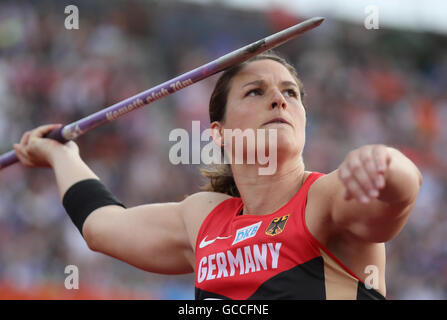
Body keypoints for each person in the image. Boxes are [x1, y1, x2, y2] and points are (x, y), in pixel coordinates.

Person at [13, 51, 422, 300]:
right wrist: (60, 154)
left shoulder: (326, 199)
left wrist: (383, 163)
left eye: (290, 92)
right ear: (219, 134)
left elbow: (398, 196)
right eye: (255, 91)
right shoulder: (204, 218)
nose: (279, 99)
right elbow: (102, 226)